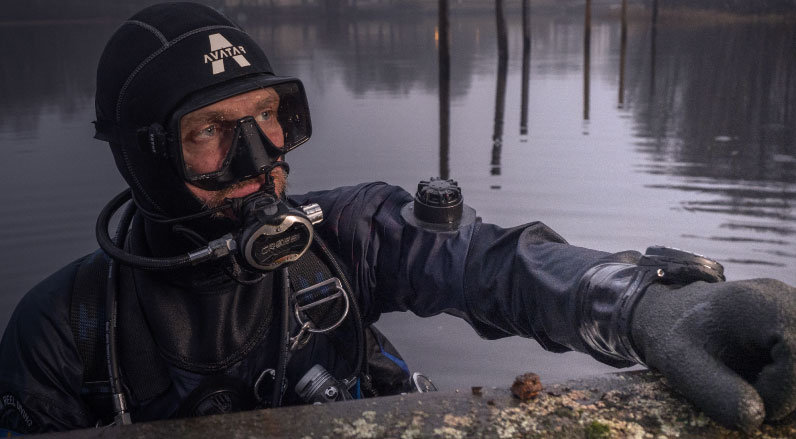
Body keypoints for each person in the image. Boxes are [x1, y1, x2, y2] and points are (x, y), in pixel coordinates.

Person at [1, 2, 795, 435]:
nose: (257, 160)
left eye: (268, 118)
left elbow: (488, 263)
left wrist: (642, 305)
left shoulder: (341, 237)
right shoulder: (63, 332)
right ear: (142, 157)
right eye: (207, 133)